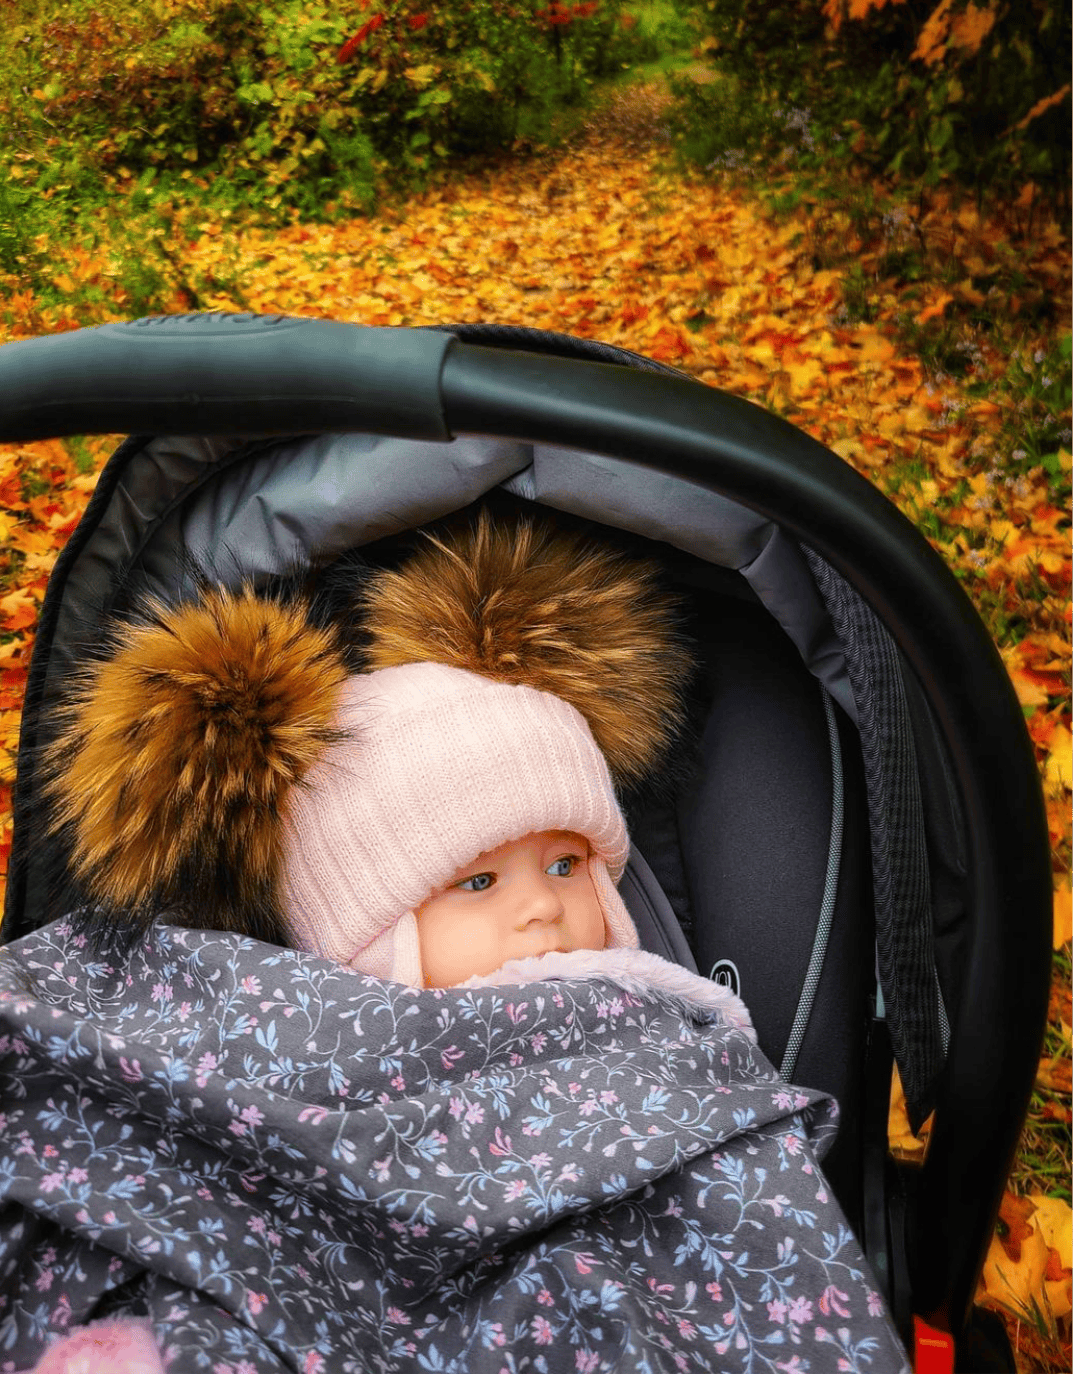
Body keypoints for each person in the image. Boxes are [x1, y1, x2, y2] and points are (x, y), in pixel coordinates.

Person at [0, 512, 910, 1373]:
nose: (541, 910)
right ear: (366, 932)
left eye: (565, 865)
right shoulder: (298, 1017)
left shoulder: (650, 1017)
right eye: (478, 883)